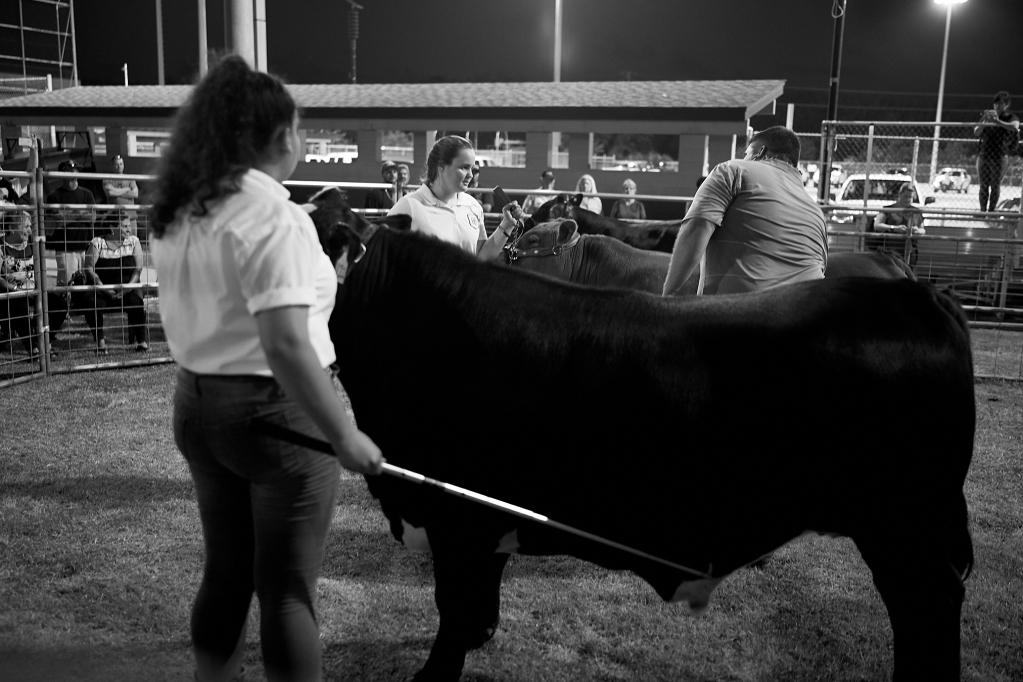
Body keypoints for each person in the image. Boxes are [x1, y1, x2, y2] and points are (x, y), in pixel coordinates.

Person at [148, 55, 383, 682]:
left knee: (226, 570)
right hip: (276, 415)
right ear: (279, 137)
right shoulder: (272, 214)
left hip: (198, 403)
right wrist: (343, 433)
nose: (303, 143)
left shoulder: (183, 206)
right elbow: (284, 342)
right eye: (300, 129)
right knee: (285, 590)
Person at [663, 126, 827, 296]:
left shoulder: (733, 170)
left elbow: (696, 228)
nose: (745, 158)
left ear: (760, 152)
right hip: (806, 311)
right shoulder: (816, 211)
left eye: (747, 153)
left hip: (741, 310)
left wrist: (668, 297)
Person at [387, 135, 522, 260]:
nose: (470, 175)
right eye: (464, 167)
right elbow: (381, 256)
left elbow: (479, 258)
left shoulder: (473, 206)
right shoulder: (409, 206)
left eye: (473, 169)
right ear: (441, 167)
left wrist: (507, 225)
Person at [79, 210, 149, 354]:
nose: (129, 229)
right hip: (103, 291)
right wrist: (104, 289)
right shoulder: (97, 243)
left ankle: (142, 342)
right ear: (112, 227)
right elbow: (89, 269)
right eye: (124, 226)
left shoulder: (133, 242)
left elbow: (138, 268)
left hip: (128, 289)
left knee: (136, 300)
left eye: (129, 226)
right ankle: (101, 344)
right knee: (91, 302)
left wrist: (128, 288)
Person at [46, 159, 97, 288]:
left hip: (86, 246)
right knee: (67, 284)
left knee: (88, 283)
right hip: (66, 248)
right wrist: (81, 212)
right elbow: (58, 221)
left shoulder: (86, 193)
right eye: (70, 171)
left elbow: (92, 217)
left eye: (75, 171)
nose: (74, 174)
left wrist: (69, 214)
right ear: (62, 174)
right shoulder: (54, 196)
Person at [973, 91, 1020, 213]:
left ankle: (991, 212)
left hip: (999, 156)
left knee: (995, 185)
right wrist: (985, 121)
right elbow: (976, 132)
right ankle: (983, 212)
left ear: (1006, 105)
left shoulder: (1009, 117)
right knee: (983, 185)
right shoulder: (988, 118)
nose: (997, 106)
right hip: (983, 155)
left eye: (1000, 104)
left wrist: (997, 122)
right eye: (996, 103)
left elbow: (1015, 126)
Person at [869, 182, 926, 266]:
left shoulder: (916, 211)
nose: (907, 199)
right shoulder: (888, 209)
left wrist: (916, 230)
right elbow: (877, 225)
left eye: (910, 197)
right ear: (900, 195)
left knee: (909, 272)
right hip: (890, 250)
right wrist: (894, 228)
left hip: (910, 250)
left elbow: (923, 230)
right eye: (905, 196)